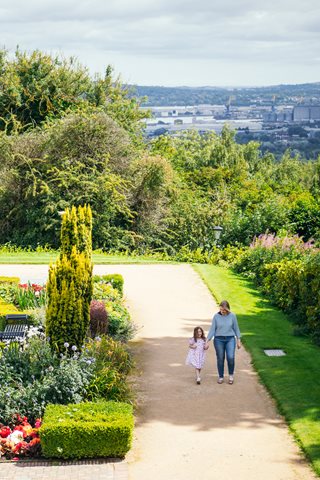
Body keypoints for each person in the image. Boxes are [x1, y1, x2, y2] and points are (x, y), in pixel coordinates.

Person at [205, 300, 241, 384]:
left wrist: (238, 340)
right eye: (221, 310)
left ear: (228, 309)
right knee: (220, 358)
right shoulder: (216, 317)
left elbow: (236, 329)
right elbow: (212, 330)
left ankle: (231, 376)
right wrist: (207, 341)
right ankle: (221, 376)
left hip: (230, 339)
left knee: (230, 357)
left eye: (224, 310)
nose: (222, 312)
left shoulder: (232, 316)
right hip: (218, 340)